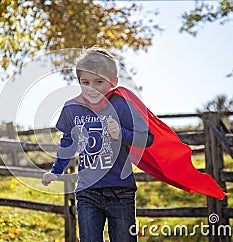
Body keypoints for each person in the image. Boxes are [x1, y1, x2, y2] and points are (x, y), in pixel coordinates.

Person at [42, 46, 153, 242]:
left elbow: (147, 138)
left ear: (113, 82)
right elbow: (67, 141)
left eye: (99, 82)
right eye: (85, 82)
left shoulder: (122, 105)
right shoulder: (72, 108)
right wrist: (56, 170)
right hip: (87, 192)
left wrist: (122, 133)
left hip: (121, 190)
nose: (91, 88)